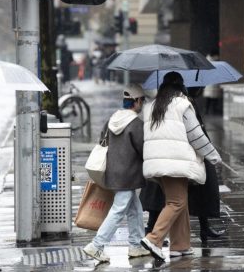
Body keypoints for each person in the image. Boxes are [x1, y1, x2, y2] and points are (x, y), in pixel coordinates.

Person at [140, 72, 222, 261]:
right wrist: (213, 156)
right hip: (175, 162)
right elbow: (196, 134)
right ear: (181, 86)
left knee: (180, 201)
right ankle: (153, 238)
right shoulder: (182, 105)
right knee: (176, 202)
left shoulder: (151, 106)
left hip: (156, 162)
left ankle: (180, 245)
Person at [83, 84, 149, 262]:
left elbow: (102, 140)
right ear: (135, 101)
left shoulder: (112, 119)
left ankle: (136, 245)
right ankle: (97, 245)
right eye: (142, 100)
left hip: (113, 173)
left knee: (135, 209)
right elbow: (143, 149)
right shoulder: (136, 124)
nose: (142, 104)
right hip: (129, 175)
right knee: (119, 210)